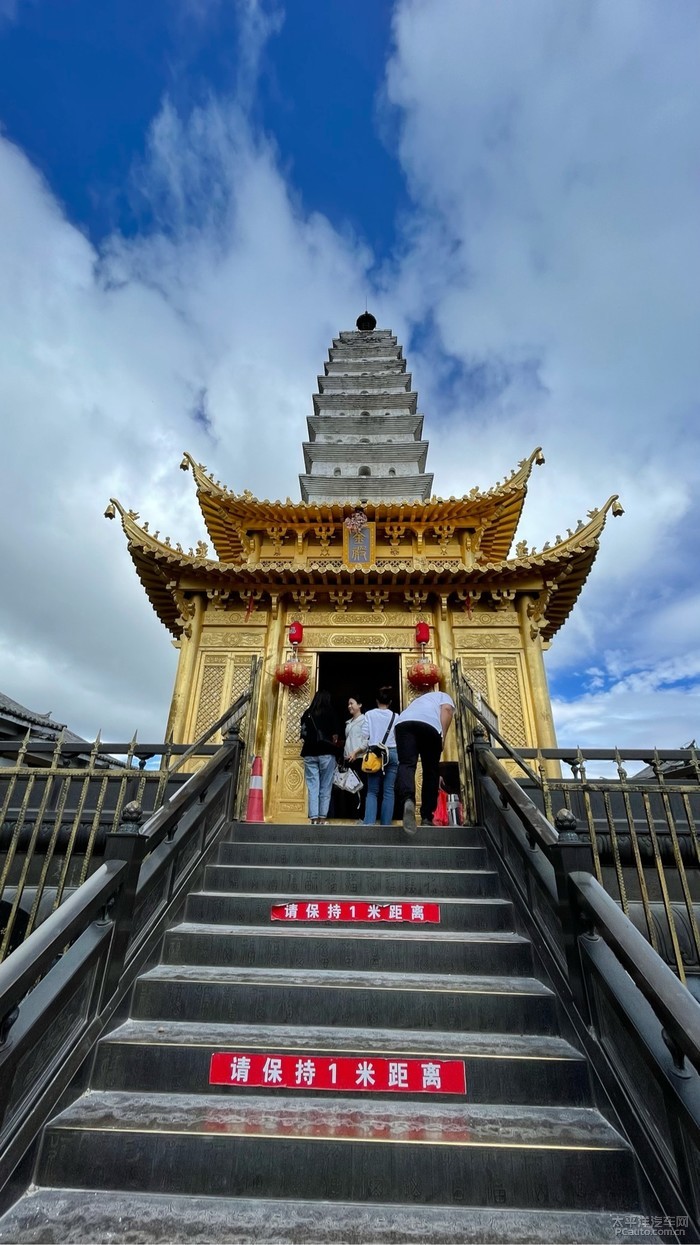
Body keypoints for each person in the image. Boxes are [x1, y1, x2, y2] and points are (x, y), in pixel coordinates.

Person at [394, 686, 455, 836]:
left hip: (403, 724)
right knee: (431, 771)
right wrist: (443, 737)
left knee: (406, 765)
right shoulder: (443, 696)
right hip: (429, 726)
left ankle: (408, 800)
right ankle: (427, 816)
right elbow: (447, 710)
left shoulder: (416, 702)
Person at [300, 690, 341, 824]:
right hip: (326, 753)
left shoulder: (307, 713)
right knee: (325, 786)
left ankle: (313, 818)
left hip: (309, 753)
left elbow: (303, 733)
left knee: (313, 786)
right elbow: (335, 737)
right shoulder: (331, 713)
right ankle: (323, 818)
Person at [363, 686, 398, 826]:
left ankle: (369, 824)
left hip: (375, 753)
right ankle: (386, 825)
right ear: (390, 701)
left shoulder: (369, 715)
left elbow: (365, 735)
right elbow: (398, 737)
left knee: (372, 791)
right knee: (389, 790)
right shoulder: (396, 716)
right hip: (392, 752)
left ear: (377, 700)